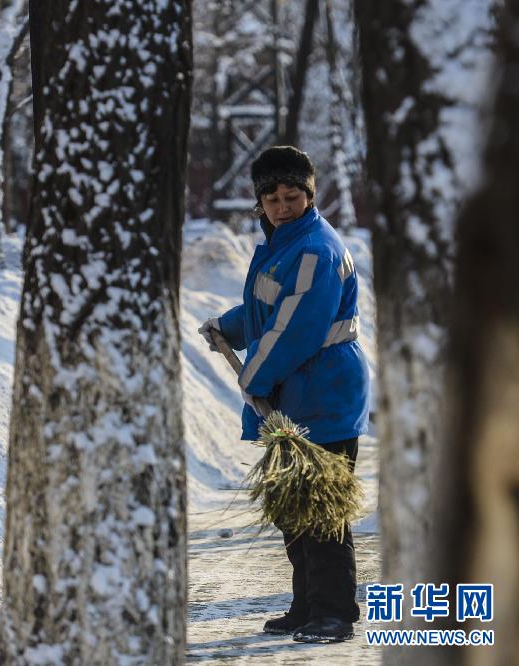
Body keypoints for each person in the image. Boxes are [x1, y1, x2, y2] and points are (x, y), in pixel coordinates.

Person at [198, 146, 370, 643]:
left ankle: (335, 613)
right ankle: (307, 605)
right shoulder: (283, 244)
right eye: (271, 197)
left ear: (309, 194)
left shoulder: (315, 247)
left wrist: (254, 374)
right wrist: (228, 328)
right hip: (297, 390)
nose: (281, 205)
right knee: (294, 507)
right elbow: (269, 309)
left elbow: (296, 328)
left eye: (291, 195)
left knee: (321, 509)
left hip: (322, 390)